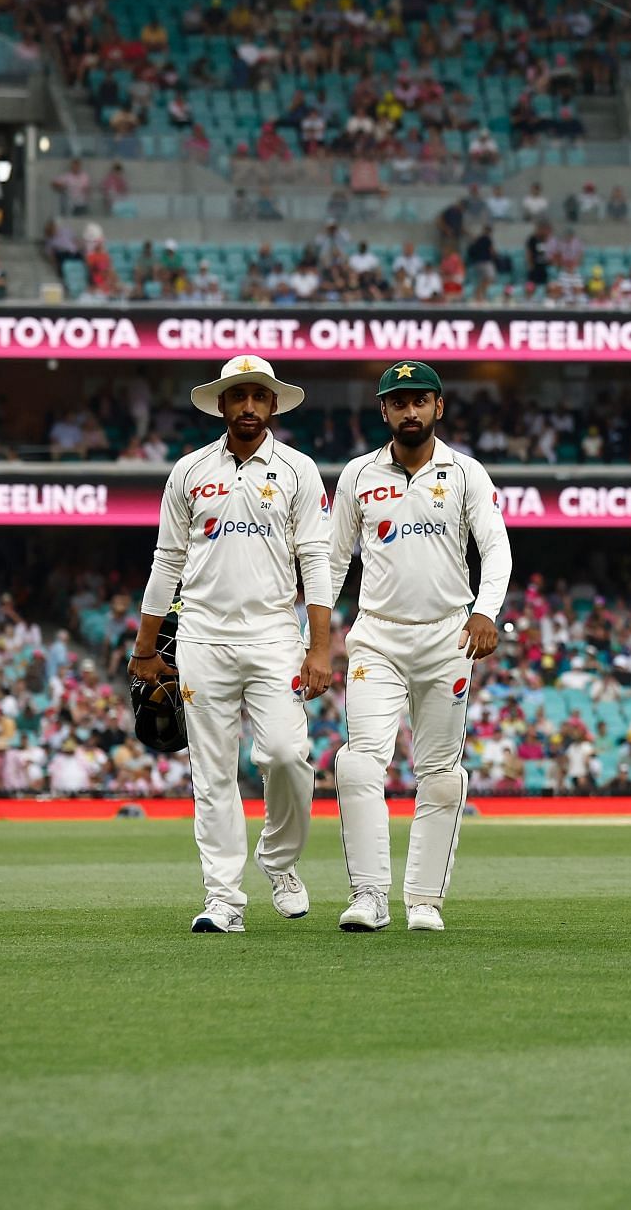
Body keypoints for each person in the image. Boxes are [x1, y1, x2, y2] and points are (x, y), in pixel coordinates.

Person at [131, 356, 332, 933]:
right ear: (221, 405)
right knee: (212, 774)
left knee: (288, 757)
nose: (248, 407)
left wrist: (319, 650)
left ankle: (281, 860)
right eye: (237, 397)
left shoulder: (299, 470)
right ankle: (223, 899)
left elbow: (315, 561)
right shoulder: (189, 471)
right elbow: (167, 559)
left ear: (273, 406)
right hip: (200, 637)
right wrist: (146, 647)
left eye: (258, 397)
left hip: (274, 636)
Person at [327, 361, 512, 933]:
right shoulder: (357, 475)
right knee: (359, 763)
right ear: (383, 411)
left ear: (439, 407)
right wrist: (314, 639)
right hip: (377, 635)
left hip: (447, 635)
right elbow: (332, 561)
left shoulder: (465, 473)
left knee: (439, 772)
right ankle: (369, 896)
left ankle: (424, 900)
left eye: (420, 401)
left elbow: (496, 549)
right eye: (398, 402)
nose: (410, 411)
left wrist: (485, 612)